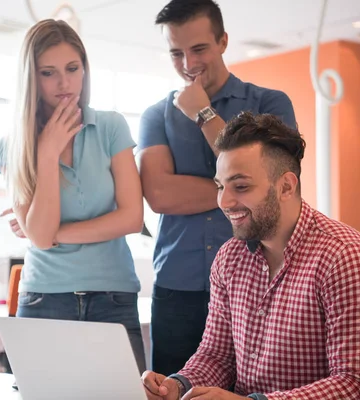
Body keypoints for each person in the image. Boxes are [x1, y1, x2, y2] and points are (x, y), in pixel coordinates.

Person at [141, 112, 360, 400]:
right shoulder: (229, 258)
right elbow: (216, 356)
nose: (223, 201)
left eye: (241, 186)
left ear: (286, 186)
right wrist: (178, 385)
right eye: (221, 186)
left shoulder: (347, 258)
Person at [137, 0, 297, 375]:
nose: (189, 64)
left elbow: (276, 181)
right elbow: (159, 196)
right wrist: (245, 187)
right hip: (178, 287)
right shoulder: (156, 115)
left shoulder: (270, 103)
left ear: (223, 41)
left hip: (258, 281)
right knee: (172, 389)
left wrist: (204, 114)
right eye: (176, 53)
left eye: (199, 49)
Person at [1, 19, 146, 373]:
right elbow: (38, 235)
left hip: (113, 297)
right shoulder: (14, 145)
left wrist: (54, 234)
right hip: (43, 299)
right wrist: (47, 153)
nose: (64, 83)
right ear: (31, 79)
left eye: (72, 68)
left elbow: (131, 218)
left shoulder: (111, 126)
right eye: (48, 72)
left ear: (85, 70)